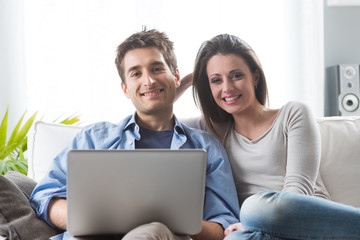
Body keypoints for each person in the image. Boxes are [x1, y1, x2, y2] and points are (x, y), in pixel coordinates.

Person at [30, 29, 240, 240]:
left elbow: (224, 228)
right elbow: (44, 196)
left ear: (176, 76)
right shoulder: (94, 139)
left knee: (153, 231)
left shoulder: (207, 148)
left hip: (160, 237)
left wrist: (163, 221)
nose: (148, 81)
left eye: (157, 68)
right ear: (125, 89)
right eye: (136, 73)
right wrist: (96, 219)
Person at [180, 33, 360, 239]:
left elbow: (298, 191)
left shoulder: (293, 114)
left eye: (236, 75)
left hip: (303, 223)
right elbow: (155, 119)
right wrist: (185, 83)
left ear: (255, 77)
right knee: (234, 238)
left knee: (252, 206)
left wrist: (248, 218)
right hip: (257, 232)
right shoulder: (214, 129)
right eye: (216, 80)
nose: (227, 87)